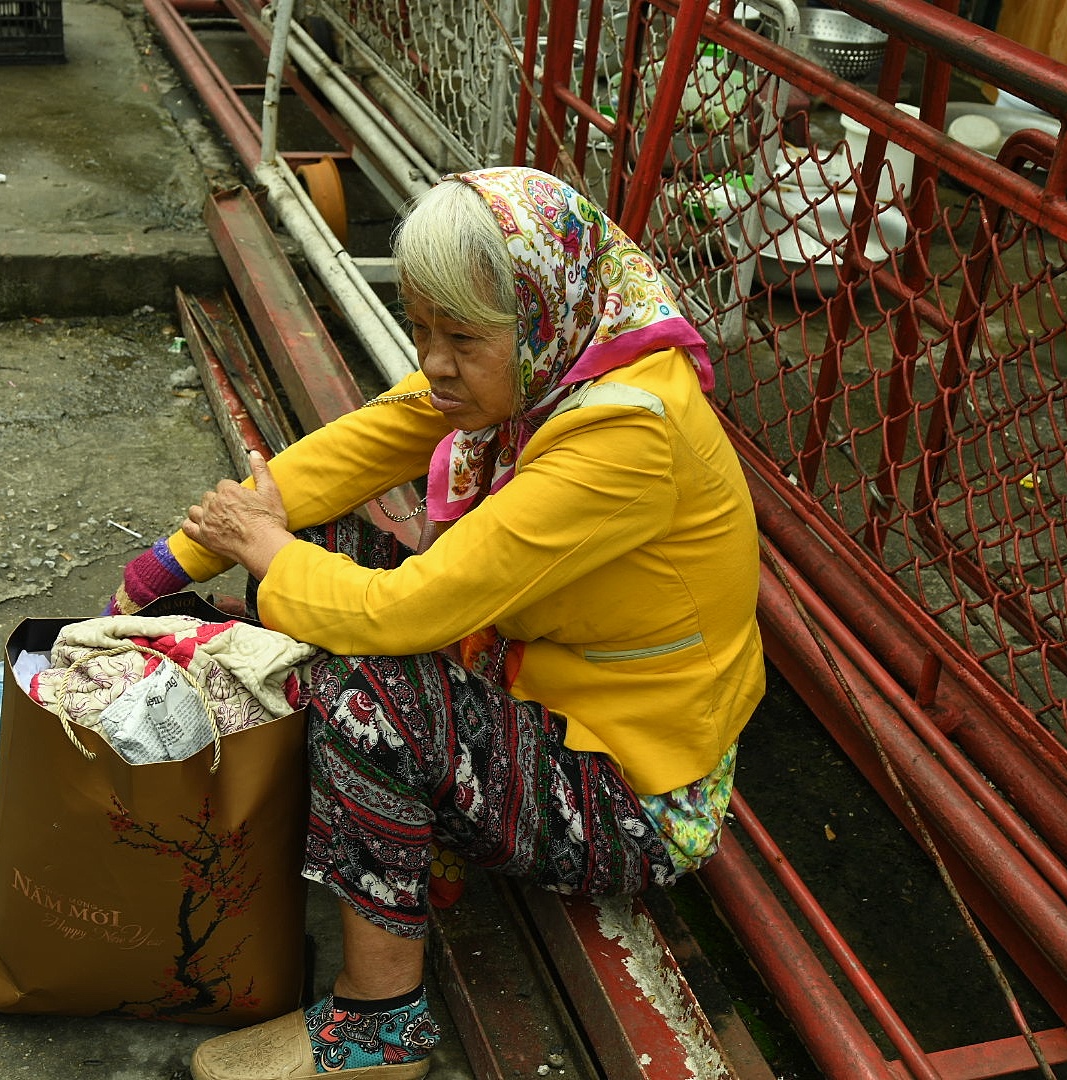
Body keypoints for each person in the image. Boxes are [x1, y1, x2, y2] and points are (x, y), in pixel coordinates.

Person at [104, 166, 764, 1080]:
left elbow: (403, 613)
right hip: (537, 695)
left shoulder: (625, 437)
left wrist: (256, 547)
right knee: (314, 546)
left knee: (364, 684)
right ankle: (418, 840)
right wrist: (162, 570)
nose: (432, 361)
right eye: (419, 328)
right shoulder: (564, 354)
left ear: (536, 316)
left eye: (459, 338)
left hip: (635, 795)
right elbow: (363, 444)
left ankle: (379, 1029)